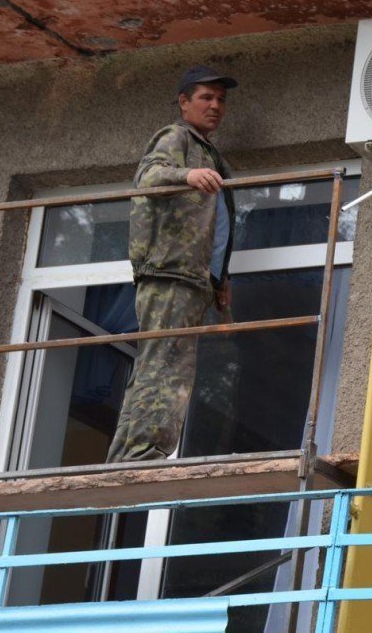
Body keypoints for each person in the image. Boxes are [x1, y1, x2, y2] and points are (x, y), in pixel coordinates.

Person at [108, 64, 238, 463]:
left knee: (163, 364)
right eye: (206, 97)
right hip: (169, 274)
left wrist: (219, 279)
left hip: (191, 278)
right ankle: (143, 455)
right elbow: (148, 178)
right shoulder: (176, 136)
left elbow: (214, 226)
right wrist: (188, 175)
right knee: (166, 367)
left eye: (221, 100)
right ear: (183, 102)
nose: (215, 106)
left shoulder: (210, 153)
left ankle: (130, 454)